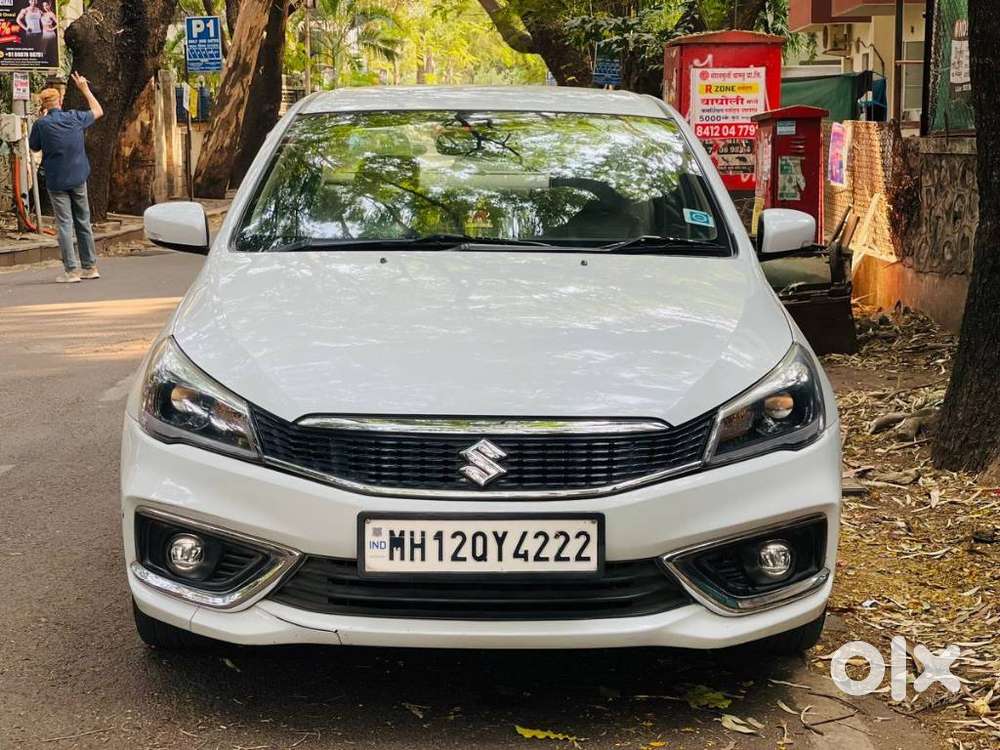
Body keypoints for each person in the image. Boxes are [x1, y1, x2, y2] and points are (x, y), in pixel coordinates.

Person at [29, 72, 104, 283]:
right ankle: (90, 267)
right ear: (60, 101)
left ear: (43, 105)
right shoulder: (74, 118)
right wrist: (84, 89)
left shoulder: (41, 125)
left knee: (64, 224)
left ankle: (71, 271)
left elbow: (34, 146)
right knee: (83, 221)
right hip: (78, 176)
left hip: (56, 180)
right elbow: (98, 111)